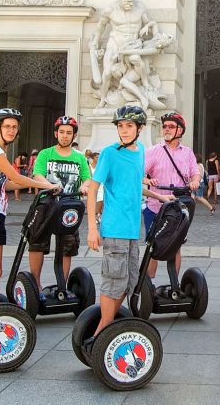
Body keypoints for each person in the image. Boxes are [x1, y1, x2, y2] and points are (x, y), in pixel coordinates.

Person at [0, 108, 59, 319]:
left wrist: (37, 186)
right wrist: (46, 186)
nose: (11, 130)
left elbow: (6, 184)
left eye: (14, 127)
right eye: (7, 126)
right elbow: (17, 178)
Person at [85, 105, 151, 335]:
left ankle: (106, 328)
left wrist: (160, 195)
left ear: (139, 128)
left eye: (129, 126)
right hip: (114, 228)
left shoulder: (140, 150)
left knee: (129, 283)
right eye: (121, 126)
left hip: (133, 228)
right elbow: (93, 190)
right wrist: (92, 228)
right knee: (113, 282)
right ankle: (101, 333)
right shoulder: (109, 153)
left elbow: (135, 186)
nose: (123, 130)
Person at [29, 116, 91, 291]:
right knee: (37, 242)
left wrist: (85, 187)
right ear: (56, 133)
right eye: (62, 132)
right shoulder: (45, 154)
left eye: (69, 133)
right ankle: (36, 285)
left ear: (74, 136)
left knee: (67, 246)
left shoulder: (79, 158)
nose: (65, 136)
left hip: (69, 205)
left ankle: (62, 286)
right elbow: (38, 175)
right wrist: (49, 186)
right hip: (46, 204)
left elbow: (87, 179)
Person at [144, 112, 197, 290]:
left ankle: (174, 286)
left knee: (176, 245)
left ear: (180, 130)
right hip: (155, 207)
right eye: (165, 126)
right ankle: (147, 285)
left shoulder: (187, 153)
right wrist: (147, 180)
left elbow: (195, 171)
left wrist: (195, 181)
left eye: (171, 126)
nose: (166, 129)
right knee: (153, 245)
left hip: (178, 208)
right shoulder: (153, 151)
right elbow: (138, 174)